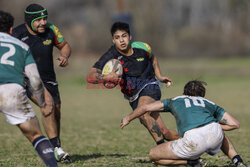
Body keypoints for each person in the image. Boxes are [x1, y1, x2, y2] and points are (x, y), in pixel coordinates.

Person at [87, 22, 180, 145]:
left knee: (144, 113)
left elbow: (153, 58)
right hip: (133, 96)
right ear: (113, 40)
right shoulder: (111, 55)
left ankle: (162, 149)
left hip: (150, 86)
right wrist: (106, 77)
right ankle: (193, 140)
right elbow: (90, 76)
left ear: (130, 37)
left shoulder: (142, 48)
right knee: (164, 132)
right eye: (117, 37)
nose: (121, 40)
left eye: (124, 36)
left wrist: (159, 76)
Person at [121, 80, 248, 167]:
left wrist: (128, 118)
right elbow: (235, 124)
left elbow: (145, 108)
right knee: (218, 130)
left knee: (154, 155)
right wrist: (212, 124)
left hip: (193, 140)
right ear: (202, 95)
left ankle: (192, 162)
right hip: (213, 133)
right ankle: (238, 161)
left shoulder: (176, 100)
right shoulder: (209, 103)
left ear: (184, 92)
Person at [12, 4, 71, 163]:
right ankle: (57, 149)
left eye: (45, 18)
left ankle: (55, 147)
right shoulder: (17, 34)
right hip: (27, 78)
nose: (43, 22)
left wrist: (65, 56)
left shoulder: (51, 29)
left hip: (49, 78)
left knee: (56, 112)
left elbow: (64, 45)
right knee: (48, 105)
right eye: (38, 20)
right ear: (29, 21)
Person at [0, 10, 58, 167]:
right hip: (12, 92)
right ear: (11, 30)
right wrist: (42, 103)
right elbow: (35, 79)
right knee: (35, 134)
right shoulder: (21, 46)